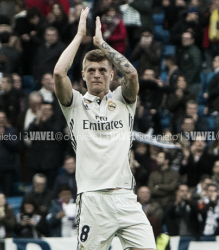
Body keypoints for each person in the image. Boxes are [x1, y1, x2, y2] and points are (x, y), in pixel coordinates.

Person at [53, 7, 155, 249]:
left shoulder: (123, 100)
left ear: (111, 74)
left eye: (102, 70)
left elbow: (131, 74)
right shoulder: (75, 104)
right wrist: (79, 36)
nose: (96, 75)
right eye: (91, 70)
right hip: (92, 199)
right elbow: (58, 73)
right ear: (83, 75)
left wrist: (102, 44)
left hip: (126, 198)